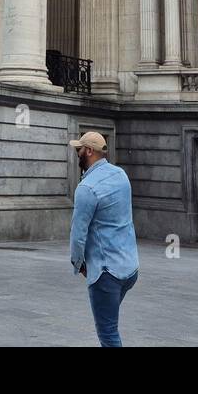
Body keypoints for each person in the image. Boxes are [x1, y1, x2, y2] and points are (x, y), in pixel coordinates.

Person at [69, 131, 140, 347]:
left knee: (108, 334)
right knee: (109, 325)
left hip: (106, 272)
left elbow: (78, 234)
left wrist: (78, 263)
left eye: (78, 149)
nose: (76, 154)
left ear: (89, 151)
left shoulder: (86, 188)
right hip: (130, 268)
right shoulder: (120, 175)